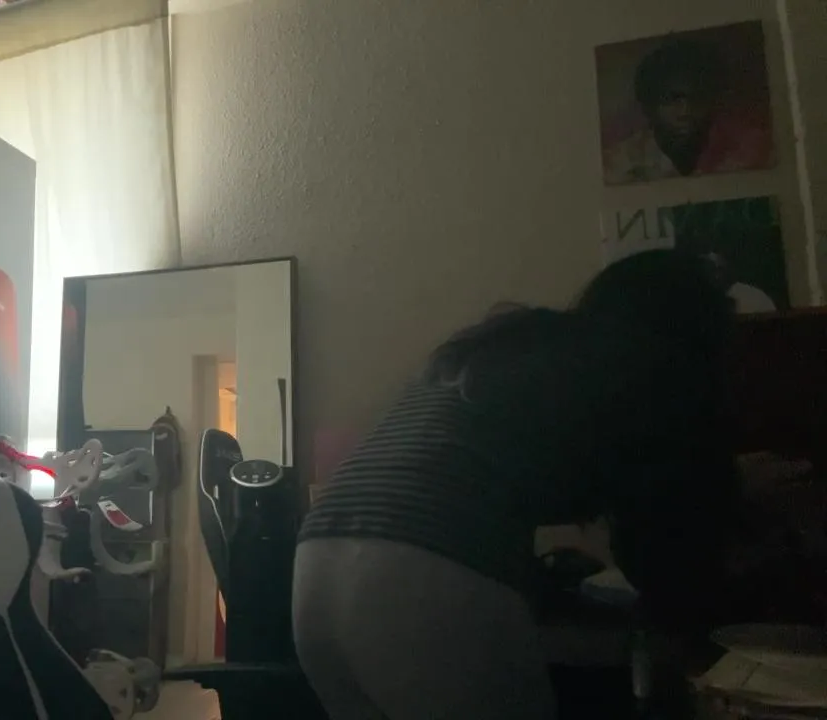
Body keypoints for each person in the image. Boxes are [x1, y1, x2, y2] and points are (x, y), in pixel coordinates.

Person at [293, 250, 746, 719]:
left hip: (317, 565)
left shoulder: (520, 345)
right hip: (422, 569)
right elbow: (659, 551)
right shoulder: (637, 373)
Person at [603, 39, 771, 184]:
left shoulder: (753, 149)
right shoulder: (620, 161)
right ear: (651, 102)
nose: (686, 109)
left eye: (697, 96)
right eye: (673, 98)